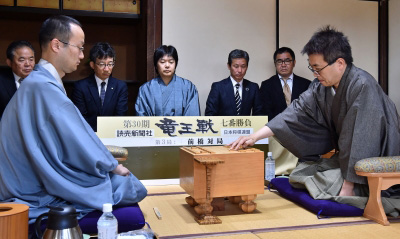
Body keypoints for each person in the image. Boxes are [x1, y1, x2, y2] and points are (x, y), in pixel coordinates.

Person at [0, 15, 147, 230]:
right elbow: (79, 142)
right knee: (130, 186)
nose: (81, 55)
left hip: (26, 179)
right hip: (33, 189)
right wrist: (112, 165)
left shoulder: (38, 83)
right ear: (56, 45)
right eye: (79, 47)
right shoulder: (43, 87)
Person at [230, 26, 400, 201]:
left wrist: (348, 187)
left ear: (340, 64)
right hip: (347, 159)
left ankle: (357, 189)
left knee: (323, 180)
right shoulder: (321, 86)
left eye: (318, 68)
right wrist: (254, 137)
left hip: (373, 160)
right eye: (312, 69)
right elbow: (296, 110)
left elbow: (361, 139)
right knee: (300, 174)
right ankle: (339, 184)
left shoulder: (362, 85)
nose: (315, 74)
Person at [259, 47, 310, 175]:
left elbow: (309, 112)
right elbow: (265, 113)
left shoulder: (306, 84)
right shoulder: (266, 85)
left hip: (300, 135)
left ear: (294, 62)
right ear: (275, 64)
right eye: (279, 61)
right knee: (278, 172)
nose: (283, 65)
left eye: (287, 61)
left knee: (301, 171)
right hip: (276, 137)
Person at [72, 42, 128, 132]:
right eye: (102, 64)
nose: (106, 69)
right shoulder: (80, 87)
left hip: (113, 136)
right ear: (92, 65)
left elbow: (120, 117)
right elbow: (81, 118)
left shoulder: (120, 87)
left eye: (110, 64)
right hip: (88, 136)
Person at [135, 45, 200, 116]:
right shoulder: (146, 89)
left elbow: (192, 117)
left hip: (182, 127)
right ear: (156, 65)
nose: (167, 65)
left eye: (171, 62)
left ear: (175, 64)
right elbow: (142, 120)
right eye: (162, 62)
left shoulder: (188, 87)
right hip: (154, 127)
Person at [205, 49, 262, 116]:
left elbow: (259, 114)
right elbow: (210, 114)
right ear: (229, 66)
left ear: (247, 67)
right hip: (223, 126)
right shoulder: (218, 87)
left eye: (243, 66)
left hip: (246, 126)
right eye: (236, 66)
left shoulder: (253, 87)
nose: (240, 70)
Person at [0, 40, 35, 118]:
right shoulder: (1, 83)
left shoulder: (41, 81)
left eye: (31, 59)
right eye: (22, 60)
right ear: (9, 63)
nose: (28, 64)